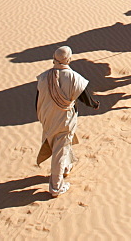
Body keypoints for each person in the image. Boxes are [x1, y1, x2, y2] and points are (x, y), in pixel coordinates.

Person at [36, 46, 99, 198]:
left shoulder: (44, 77)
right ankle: (56, 187)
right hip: (64, 119)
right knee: (60, 149)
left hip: (47, 117)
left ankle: (66, 167)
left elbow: (38, 99)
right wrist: (95, 104)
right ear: (69, 59)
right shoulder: (74, 77)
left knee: (61, 144)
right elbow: (86, 98)